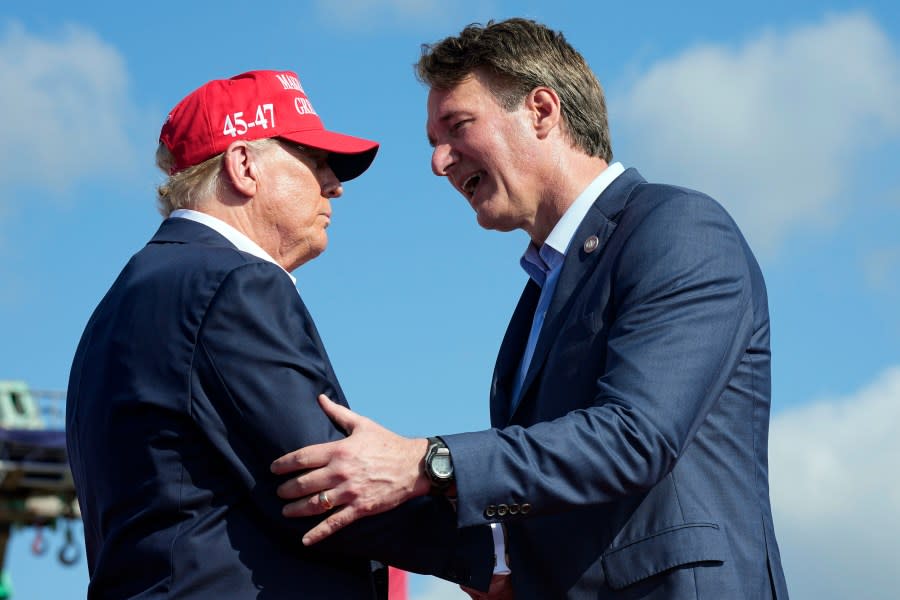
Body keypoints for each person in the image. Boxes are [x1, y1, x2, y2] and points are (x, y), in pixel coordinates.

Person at [270, 19, 791, 600]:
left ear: (543, 110)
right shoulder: (541, 293)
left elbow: (635, 436)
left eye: (457, 127)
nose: (438, 162)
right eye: (433, 143)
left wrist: (428, 464)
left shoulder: (679, 227)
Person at [65, 69, 494, 599]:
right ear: (243, 165)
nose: (334, 185)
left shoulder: (120, 305)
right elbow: (329, 481)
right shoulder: (234, 283)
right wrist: (492, 557)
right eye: (316, 162)